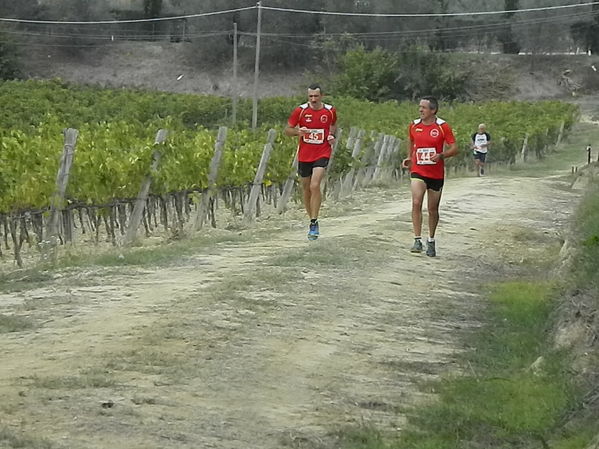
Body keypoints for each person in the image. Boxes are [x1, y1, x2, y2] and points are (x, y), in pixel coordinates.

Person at [402, 96, 457, 257]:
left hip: (436, 173)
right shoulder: (414, 125)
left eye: (424, 108)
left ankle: (431, 240)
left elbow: (455, 148)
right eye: (420, 107)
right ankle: (417, 239)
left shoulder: (442, 126)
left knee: (432, 209)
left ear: (433, 110)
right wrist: (410, 158)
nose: (420, 110)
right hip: (418, 170)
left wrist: (442, 155)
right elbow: (411, 142)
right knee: (416, 201)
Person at [285, 84, 337, 240]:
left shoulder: (329, 110)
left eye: (316, 96)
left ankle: (314, 222)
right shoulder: (300, 111)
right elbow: (287, 129)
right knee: (306, 188)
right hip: (305, 154)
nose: (313, 100)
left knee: (315, 185)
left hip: (322, 152)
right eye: (310, 97)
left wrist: (331, 136)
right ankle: (311, 219)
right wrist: (298, 132)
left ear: (322, 96)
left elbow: (333, 124)